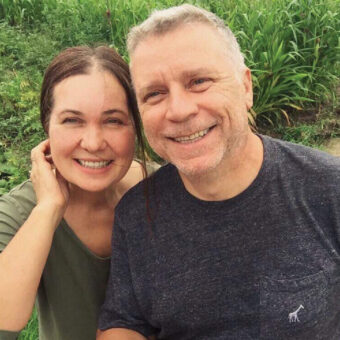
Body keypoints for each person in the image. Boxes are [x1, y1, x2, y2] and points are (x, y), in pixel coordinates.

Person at [97, 4, 340, 340]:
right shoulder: (138, 214)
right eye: (154, 94)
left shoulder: (328, 188)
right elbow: (125, 320)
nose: (179, 110)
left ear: (246, 87)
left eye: (199, 81)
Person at [0, 45, 151, 340]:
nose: (93, 143)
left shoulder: (164, 191)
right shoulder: (19, 211)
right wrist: (49, 209)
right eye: (72, 120)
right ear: (47, 125)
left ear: (135, 126)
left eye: (113, 120)